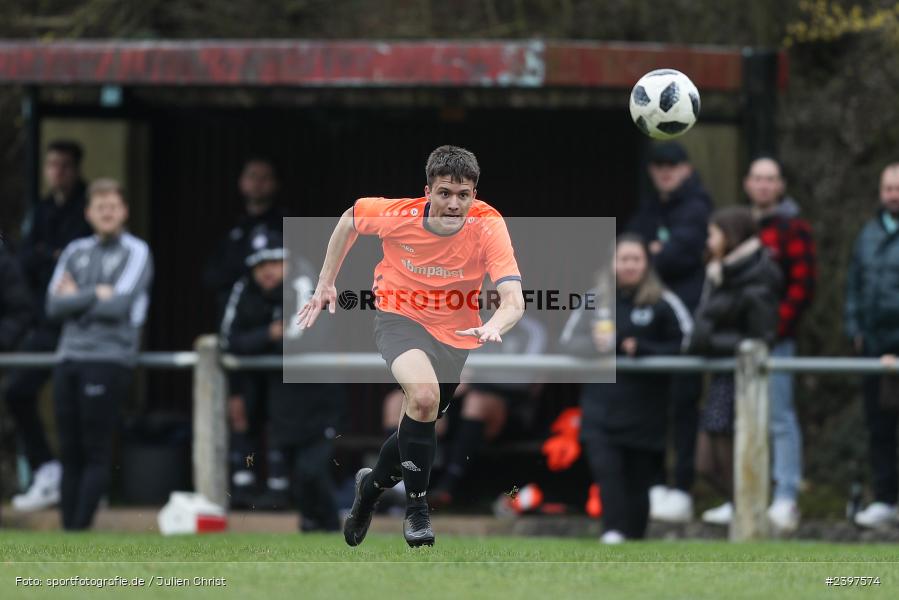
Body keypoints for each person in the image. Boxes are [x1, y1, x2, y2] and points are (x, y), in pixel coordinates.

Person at [298, 145, 525, 547]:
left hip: (456, 336)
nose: (454, 203)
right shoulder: (397, 214)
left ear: (474, 194)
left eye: (463, 195)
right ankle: (418, 511)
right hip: (398, 319)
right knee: (422, 397)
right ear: (427, 191)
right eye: (444, 193)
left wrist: (495, 324)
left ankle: (369, 490)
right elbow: (349, 219)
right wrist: (326, 282)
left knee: (416, 424)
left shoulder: (488, 224)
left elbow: (514, 299)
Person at [560, 234, 692, 543]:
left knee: (638, 480)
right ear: (612, 263)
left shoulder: (663, 301)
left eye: (636, 259)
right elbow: (568, 341)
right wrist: (597, 345)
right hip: (601, 409)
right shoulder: (595, 299)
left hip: (646, 412)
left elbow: (686, 343)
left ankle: (633, 538)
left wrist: (643, 348)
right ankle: (612, 533)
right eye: (623, 259)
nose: (629, 265)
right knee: (608, 473)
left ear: (646, 264)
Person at [46, 178, 153, 531]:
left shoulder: (137, 251)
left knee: (95, 447)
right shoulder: (75, 250)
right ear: (88, 213)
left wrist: (77, 298)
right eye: (100, 207)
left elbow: (120, 305)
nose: (107, 213)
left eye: (113, 206)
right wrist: (96, 295)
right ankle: (68, 531)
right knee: (69, 447)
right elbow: (52, 305)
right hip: (68, 357)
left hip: (109, 359)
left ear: (124, 211)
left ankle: (79, 528)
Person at [220, 229, 343, 530]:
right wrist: (268, 333)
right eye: (260, 265)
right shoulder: (245, 287)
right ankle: (311, 527)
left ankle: (330, 527)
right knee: (295, 469)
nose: (267, 271)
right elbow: (228, 340)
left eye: (274, 261)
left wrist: (267, 339)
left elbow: (304, 336)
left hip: (319, 393)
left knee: (312, 468)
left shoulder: (304, 279)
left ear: (287, 260)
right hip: (282, 396)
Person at [627, 142, 711, 522]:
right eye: (658, 165)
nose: (665, 172)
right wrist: (654, 250)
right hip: (650, 328)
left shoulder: (696, 206)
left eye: (672, 166)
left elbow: (680, 254)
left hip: (684, 330)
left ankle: (682, 488)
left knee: (683, 407)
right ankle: (655, 484)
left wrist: (655, 253)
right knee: (651, 407)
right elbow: (631, 247)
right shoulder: (649, 207)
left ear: (687, 169)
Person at [7, 140, 92, 512]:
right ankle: (47, 469)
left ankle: (87, 481)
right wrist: (48, 255)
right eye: (52, 165)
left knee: (77, 405)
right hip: (45, 323)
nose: (58, 172)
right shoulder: (41, 210)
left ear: (76, 169)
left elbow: (74, 265)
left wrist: (48, 257)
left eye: (65, 165)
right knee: (17, 391)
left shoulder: (87, 209)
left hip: (82, 328)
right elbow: (27, 258)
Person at [688, 206, 781, 526]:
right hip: (721, 375)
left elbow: (760, 335)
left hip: (740, 377)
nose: (708, 240)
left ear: (731, 236)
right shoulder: (719, 271)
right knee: (705, 459)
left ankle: (748, 510)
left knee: (726, 449)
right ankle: (738, 503)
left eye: (713, 234)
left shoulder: (759, 273)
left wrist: (710, 340)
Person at [745, 156, 817, 532]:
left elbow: (802, 286)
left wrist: (776, 328)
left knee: (780, 418)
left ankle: (785, 495)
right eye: (757, 178)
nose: (763, 185)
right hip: (740, 343)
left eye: (770, 179)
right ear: (747, 184)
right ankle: (744, 496)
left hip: (778, 341)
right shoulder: (741, 225)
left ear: (781, 185)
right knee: (739, 417)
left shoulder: (793, 228)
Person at [429, 313, 547, 508]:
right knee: (403, 403)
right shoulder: (465, 324)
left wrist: (475, 378)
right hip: (456, 403)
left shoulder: (531, 329)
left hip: (509, 409)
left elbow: (526, 378)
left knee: (476, 402)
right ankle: (400, 488)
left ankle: (447, 486)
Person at [845, 163, 899, 528]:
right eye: (888, 188)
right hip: (873, 351)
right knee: (879, 427)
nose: (892, 194)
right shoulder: (866, 234)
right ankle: (884, 499)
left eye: (898, 188)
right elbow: (854, 288)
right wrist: (854, 329)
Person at [204, 157, 284, 316]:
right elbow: (211, 276)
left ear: (275, 183)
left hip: (277, 312)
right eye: (253, 176)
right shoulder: (228, 226)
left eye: (265, 177)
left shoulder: (285, 225)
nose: (258, 183)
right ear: (241, 182)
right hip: (237, 313)